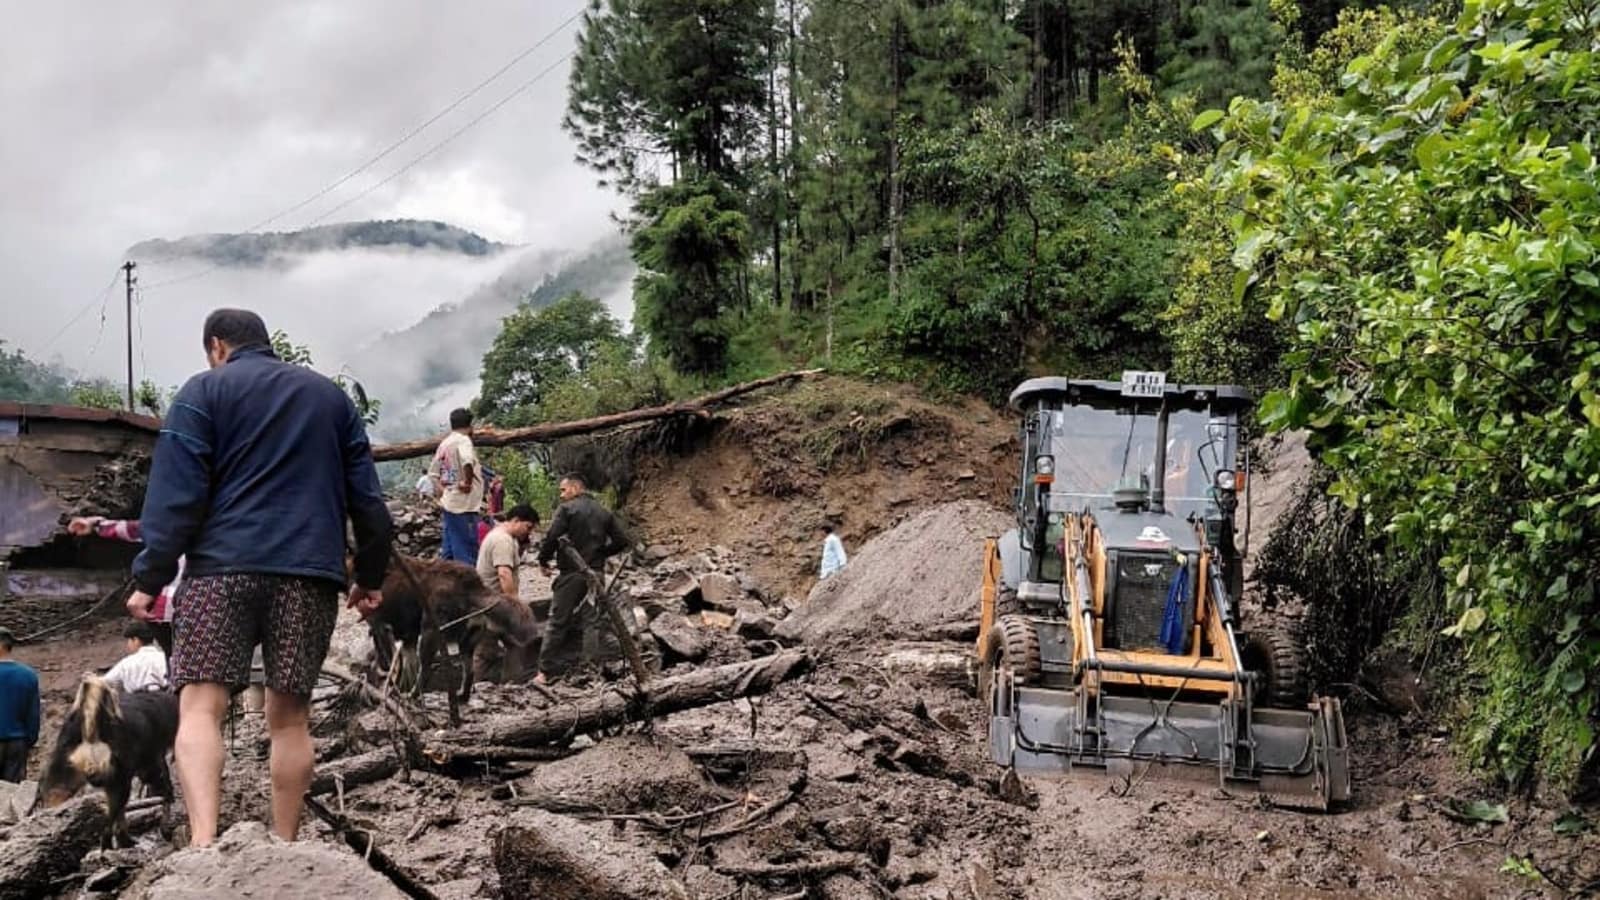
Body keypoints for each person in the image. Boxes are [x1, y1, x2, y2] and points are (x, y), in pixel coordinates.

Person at [130, 308, 392, 847]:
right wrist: (368, 575)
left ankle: (203, 843)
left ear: (217, 346)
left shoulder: (203, 392)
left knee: (201, 705)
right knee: (290, 717)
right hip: (308, 574)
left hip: (219, 573)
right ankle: (286, 843)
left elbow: (176, 499)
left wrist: (150, 577)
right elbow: (369, 502)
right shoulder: (331, 399)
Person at [534, 474, 630, 685]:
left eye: (563, 490)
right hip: (596, 574)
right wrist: (601, 553)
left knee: (557, 621)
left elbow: (552, 536)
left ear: (576, 488)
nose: (561, 495)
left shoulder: (567, 509)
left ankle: (544, 672)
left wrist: (543, 559)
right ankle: (590, 670)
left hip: (571, 573)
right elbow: (622, 540)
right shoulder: (603, 511)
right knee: (591, 623)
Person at [67, 516, 180, 658]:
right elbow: (139, 529)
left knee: (181, 665)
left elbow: (145, 530)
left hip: (173, 609)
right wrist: (97, 525)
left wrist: (97, 525)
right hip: (174, 610)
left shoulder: (177, 522)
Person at [428, 408, 482, 564]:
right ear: (470, 425)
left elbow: (433, 474)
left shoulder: (444, 444)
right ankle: (467, 587)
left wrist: (444, 492)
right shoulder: (463, 440)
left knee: (449, 551)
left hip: (450, 503)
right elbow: (467, 460)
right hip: (464, 506)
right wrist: (467, 482)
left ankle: (445, 585)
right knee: (466, 551)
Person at [0, 627, 40, 783]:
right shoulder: (28, 675)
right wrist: (28, 741)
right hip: (17, 743)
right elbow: (33, 714)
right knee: (12, 793)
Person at [477, 504, 540, 597]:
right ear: (516, 520)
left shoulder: (505, 535)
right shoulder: (503, 540)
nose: (529, 532)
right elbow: (504, 574)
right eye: (528, 527)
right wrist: (514, 603)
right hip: (493, 600)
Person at [102, 621, 169, 693]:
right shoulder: (165, 658)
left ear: (135, 640)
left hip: (136, 701)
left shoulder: (127, 663)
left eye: (129, 641)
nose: (128, 645)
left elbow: (104, 682)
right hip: (165, 699)